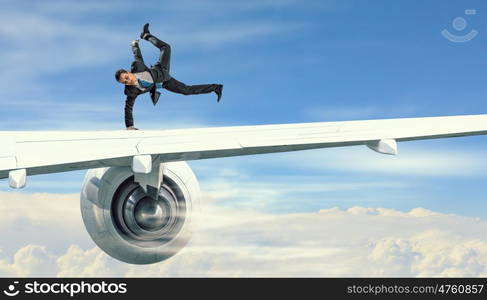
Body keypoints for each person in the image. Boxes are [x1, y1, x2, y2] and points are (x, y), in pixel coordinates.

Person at [115, 23, 223, 130]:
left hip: (161, 68)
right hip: (165, 82)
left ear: (128, 72)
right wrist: (130, 126)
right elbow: (128, 108)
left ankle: (146, 35)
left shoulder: (137, 66)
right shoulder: (131, 91)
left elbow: (137, 55)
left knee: (166, 47)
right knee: (186, 90)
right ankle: (216, 87)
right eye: (124, 82)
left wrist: (134, 45)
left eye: (126, 77)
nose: (127, 81)